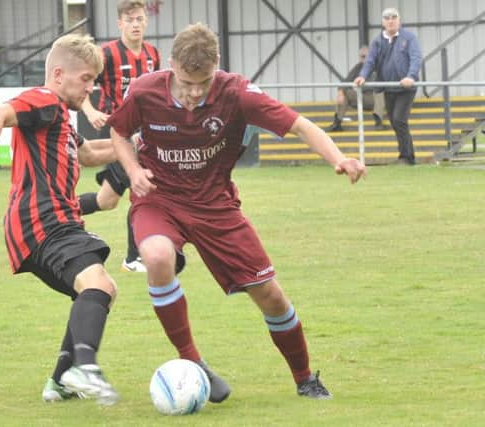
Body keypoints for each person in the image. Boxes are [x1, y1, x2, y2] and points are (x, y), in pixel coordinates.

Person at [109, 23, 367, 402]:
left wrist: (339, 158)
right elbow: (119, 132)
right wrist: (133, 172)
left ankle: (305, 378)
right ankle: (193, 363)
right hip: (159, 200)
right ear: (171, 65)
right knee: (157, 256)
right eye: (186, 83)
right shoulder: (145, 92)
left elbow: (299, 126)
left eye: (204, 83)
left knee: (271, 296)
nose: (195, 92)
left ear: (217, 66)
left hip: (216, 206)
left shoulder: (239, 94)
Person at [0, 33, 121, 406]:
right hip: (41, 223)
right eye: (86, 79)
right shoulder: (45, 100)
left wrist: (135, 148)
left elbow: (92, 155)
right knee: (97, 283)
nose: (91, 88)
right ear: (60, 74)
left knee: (98, 289)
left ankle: (62, 380)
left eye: (95, 80)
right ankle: (83, 366)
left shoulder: (62, 118)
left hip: (50, 223)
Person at [78, 0, 161, 273]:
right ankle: (133, 258)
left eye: (139, 19)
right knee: (127, 194)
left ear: (145, 21)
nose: (135, 24)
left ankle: (136, 256)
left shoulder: (153, 55)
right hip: (120, 134)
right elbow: (82, 84)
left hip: (147, 135)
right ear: (120, 23)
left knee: (114, 198)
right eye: (130, 20)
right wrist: (89, 111)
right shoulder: (108, 54)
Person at [354, 7, 422, 165]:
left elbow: (416, 57)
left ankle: (405, 157)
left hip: (405, 88)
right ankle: (408, 156)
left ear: (399, 20)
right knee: (395, 121)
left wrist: (410, 76)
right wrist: (363, 75)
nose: (390, 21)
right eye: (387, 18)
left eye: (394, 17)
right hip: (388, 87)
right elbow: (370, 61)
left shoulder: (409, 37)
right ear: (383, 22)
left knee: (399, 119)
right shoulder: (378, 41)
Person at [326, 46, 387, 132]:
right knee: (345, 92)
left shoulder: (380, 66)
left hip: (379, 98)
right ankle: (337, 122)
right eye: (361, 56)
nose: (363, 59)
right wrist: (340, 93)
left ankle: (378, 121)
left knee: (380, 91)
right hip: (364, 97)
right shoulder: (358, 67)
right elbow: (345, 82)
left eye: (365, 56)